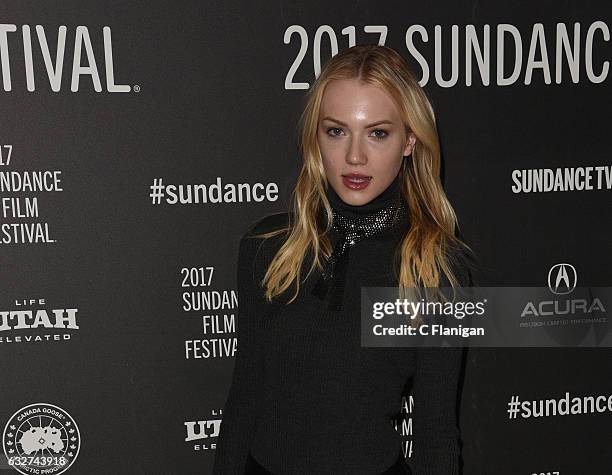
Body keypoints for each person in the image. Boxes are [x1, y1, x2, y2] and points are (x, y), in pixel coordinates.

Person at [213, 44, 478, 475]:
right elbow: (243, 400)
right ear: (315, 138)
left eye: (378, 133)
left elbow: (437, 432)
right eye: (336, 131)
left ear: (410, 140)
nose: (355, 156)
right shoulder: (266, 247)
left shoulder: (437, 268)